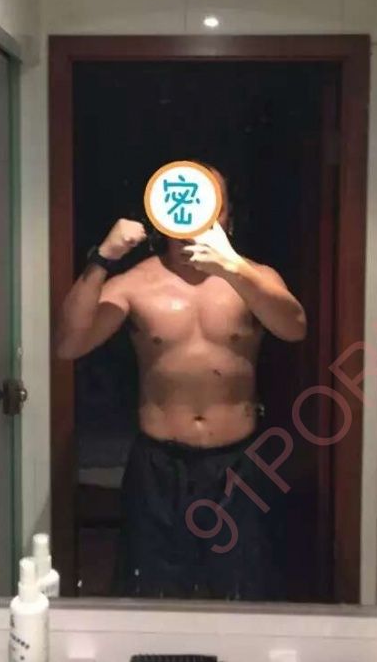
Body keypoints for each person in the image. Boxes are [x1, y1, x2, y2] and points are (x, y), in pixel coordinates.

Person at [55, 163, 307, 601]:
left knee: (243, 589)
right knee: (152, 592)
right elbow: (69, 344)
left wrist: (234, 269)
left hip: (239, 463)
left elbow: (294, 328)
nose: (196, 217)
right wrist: (102, 258)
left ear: (227, 217)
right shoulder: (134, 284)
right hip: (158, 465)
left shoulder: (255, 278)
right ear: (162, 214)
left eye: (212, 204)